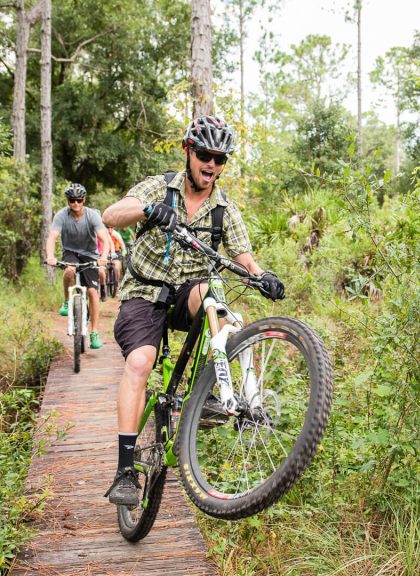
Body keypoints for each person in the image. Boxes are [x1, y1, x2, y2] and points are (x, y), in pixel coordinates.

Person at [100, 115, 285, 505]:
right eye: (205, 155)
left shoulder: (224, 210)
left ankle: (213, 391)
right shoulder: (159, 186)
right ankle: (125, 471)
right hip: (145, 293)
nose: (211, 165)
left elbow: (244, 257)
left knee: (213, 292)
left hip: (186, 295)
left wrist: (262, 275)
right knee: (141, 362)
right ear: (188, 151)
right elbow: (111, 215)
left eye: (220, 159)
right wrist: (149, 210)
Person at [45, 183, 112, 350]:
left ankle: (94, 332)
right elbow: (52, 237)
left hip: (90, 254)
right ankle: (67, 302)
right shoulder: (61, 216)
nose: (75, 203)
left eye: (79, 200)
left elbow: (104, 239)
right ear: (68, 201)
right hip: (70, 252)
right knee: (69, 271)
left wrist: (103, 257)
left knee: (92, 292)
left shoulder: (92, 216)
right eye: (72, 200)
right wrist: (50, 256)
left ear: (84, 200)